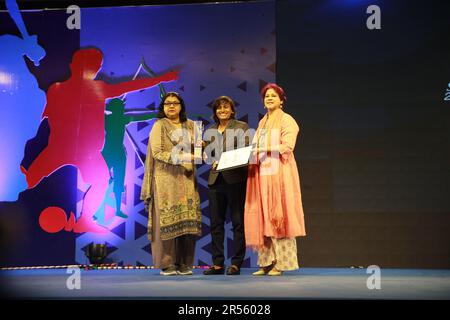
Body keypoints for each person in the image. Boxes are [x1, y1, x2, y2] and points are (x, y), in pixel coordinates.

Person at [23, 48, 178, 233]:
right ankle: (82, 219)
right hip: (64, 148)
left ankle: (85, 221)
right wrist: (162, 78)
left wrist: (161, 79)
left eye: (93, 67)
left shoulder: (72, 88)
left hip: (82, 152)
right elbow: (38, 117)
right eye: (92, 66)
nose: (92, 70)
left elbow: (130, 87)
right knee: (33, 176)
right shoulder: (62, 89)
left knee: (99, 180)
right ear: (75, 66)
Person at [244, 83, 306, 276]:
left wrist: (262, 149)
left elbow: (287, 146)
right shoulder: (262, 123)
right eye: (266, 96)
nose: (269, 98)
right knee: (263, 217)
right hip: (262, 174)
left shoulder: (287, 120)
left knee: (280, 216)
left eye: (273, 96)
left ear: (281, 100)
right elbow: (254, 148)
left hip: (281, 174)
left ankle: (282, 263)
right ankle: (266, 262)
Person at [140, 92, 202, 276]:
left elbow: (197, 150)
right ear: (163, 107)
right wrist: (183, 157)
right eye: (167, 104)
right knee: (166, 221)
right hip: (165, 180)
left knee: (187, 222)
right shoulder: (159, 126)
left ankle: (184, 263)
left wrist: (202, 152)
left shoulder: (191, 125)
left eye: (175, 103)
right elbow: (158, 153)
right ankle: (167, 263)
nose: (171, 106)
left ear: (181, 106)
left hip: (187, 179)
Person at [202, 96, 249, 276]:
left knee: (237, 223)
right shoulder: (210, 130)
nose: (222, 110)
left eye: (226, 107)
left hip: (235, 180)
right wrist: (202, 150)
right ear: (215, 111)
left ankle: (236, 263)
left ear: (231, 110)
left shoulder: (241, 127)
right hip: (215, 182)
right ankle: (218, 264)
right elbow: (207, 156)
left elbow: (243, 152)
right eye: (219, 108)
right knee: (216, 224)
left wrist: (220, 160)